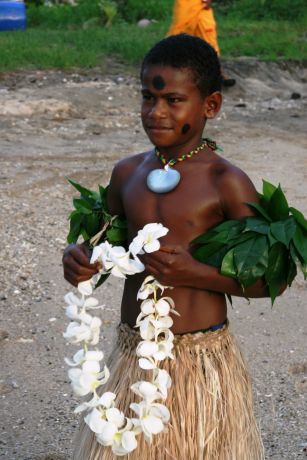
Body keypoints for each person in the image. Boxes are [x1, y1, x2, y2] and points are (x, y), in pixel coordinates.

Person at [63, 34, 267, 459]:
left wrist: (193, 272)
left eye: (173, 100)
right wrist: (81, 259)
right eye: (148, 97)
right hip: (134, 351)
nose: (156, 112)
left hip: (200, 358)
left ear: (210, 106)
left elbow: (267, 280)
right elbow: (103, 245)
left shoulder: (224, 181)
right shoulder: (127, 174)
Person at [168, 0, 236, 87]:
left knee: (208, 32)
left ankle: (217, 71)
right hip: (186, 4)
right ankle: (166, 68)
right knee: (180, 31)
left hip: (202, 4)